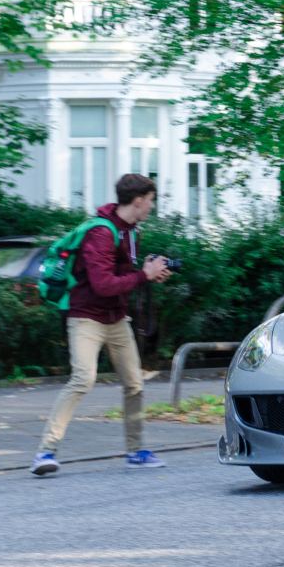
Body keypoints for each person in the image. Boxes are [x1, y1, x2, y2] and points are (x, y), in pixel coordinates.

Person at [30, 174, 173, 476]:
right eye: (150, 201)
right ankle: (45, 452)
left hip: (116, 318)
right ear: (138, 201)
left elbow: (122, 273)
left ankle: (135, 452)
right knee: (83, 379)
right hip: (86, 317)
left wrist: (148, 271)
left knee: (134, 383)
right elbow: (103, 284)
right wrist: (143, 276)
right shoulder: (101, 233)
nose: (151, 207)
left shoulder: (130, 231)